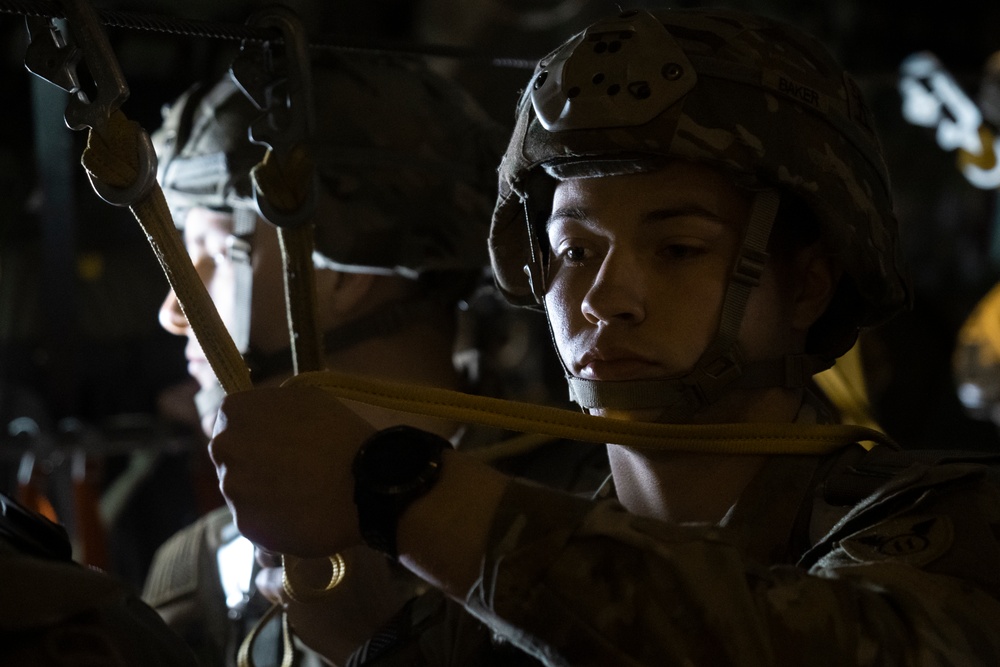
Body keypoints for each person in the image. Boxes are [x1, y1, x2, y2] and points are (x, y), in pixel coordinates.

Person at [209, 8, 1000, 665]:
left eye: (678, 249)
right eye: (575, 251)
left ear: (808, 285)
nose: (603, 298)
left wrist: (400, 493)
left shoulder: (939, 528)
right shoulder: (484, 606)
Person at [140, 52, 519, 666]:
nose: (172, 311)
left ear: (336, 269)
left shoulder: (570, 524)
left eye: (209, 252)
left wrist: (362, 639)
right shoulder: (199, 567)